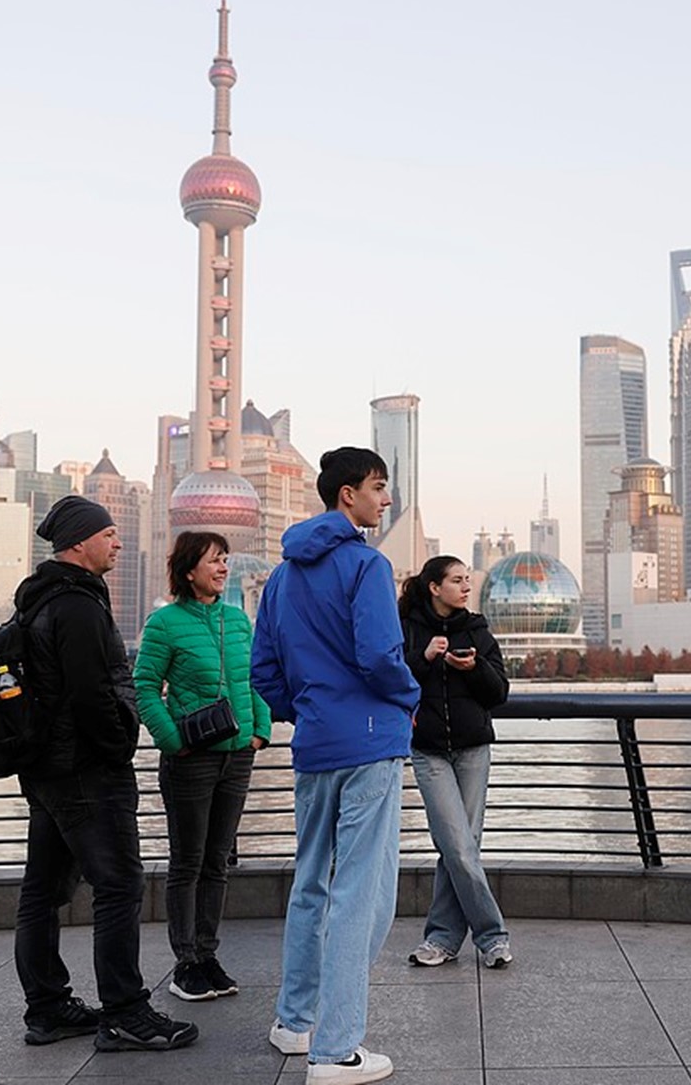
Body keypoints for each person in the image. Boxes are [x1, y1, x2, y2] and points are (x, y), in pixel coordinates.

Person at [252, 446, 420, 1085]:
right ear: (347, 495)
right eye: (378, 488)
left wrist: (306, 709)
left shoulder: (282, 576)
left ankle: (295, 1023)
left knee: (310, 884)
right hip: (370, 741)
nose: (384, 500)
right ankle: (337, 1049)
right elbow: (381, 654)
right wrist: (410, 696)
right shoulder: (366, 566)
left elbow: (262, 671)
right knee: (361, 894)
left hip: (315, 745)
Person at [12, 494, 198, 1053]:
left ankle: (47, 1008)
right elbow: (92, 693)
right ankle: (124, 1011)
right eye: (109, 533)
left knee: (42, 891)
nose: (117, 541)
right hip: (86, 774)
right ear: (78, 541)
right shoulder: (77, 606)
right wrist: (119, 746)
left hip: (47, 771)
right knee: (118, 887)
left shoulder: (37, 601)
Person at [133, 530, 272, 1003]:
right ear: (189, 569)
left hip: (237, 756)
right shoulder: (164, 623)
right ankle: (185, 962)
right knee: (187, 862)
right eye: (215, 560)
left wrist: (260, 730)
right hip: (190, 760)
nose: (223, 568)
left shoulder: (237, 621)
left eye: (226, 560)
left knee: (218, 861)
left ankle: (208, 954)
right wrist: (172, 741)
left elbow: (251, 680)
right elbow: (145, 688)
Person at [398, 556, 513, 969]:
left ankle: (442, 939)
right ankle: (492, 936)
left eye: (468, 580)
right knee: (458, 846)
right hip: (427, 750)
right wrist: (425, 657)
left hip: (473, 750)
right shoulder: (407, 628)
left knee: (459, 849)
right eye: (457, 580)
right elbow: (389, 679)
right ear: (434, 587)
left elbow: (499, 690)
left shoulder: (477, 629)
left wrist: (474, 667)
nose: (466, 587)